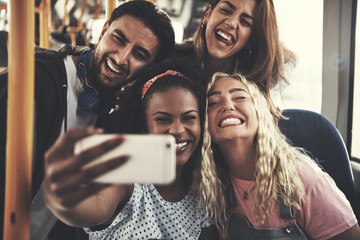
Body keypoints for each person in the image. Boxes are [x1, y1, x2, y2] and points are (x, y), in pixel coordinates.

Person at [0, 0, 174, 238]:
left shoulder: (107, 115)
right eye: (118, 39)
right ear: (103, 30)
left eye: (139, 54)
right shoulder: (34, 81)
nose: (121, 58)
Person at [42, 60, 219, 239]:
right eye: (163, 119)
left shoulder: (201, 191)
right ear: (144, 127)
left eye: (189, 118)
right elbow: (97, 203)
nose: (177, 130)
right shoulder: (128, 178)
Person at [196, 72, 360, 239]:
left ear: (260, 113)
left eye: (239, 97)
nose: (227, 106)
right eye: (213, 102)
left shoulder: (304, 179)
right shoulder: (211, 185)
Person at [172, 0, 295, 118]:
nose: (231, 23)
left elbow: (287, 60)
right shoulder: (171, 60)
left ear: (250, 40)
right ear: (207, 15)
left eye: (245, 22)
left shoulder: (255, 86)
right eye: (226, 10)